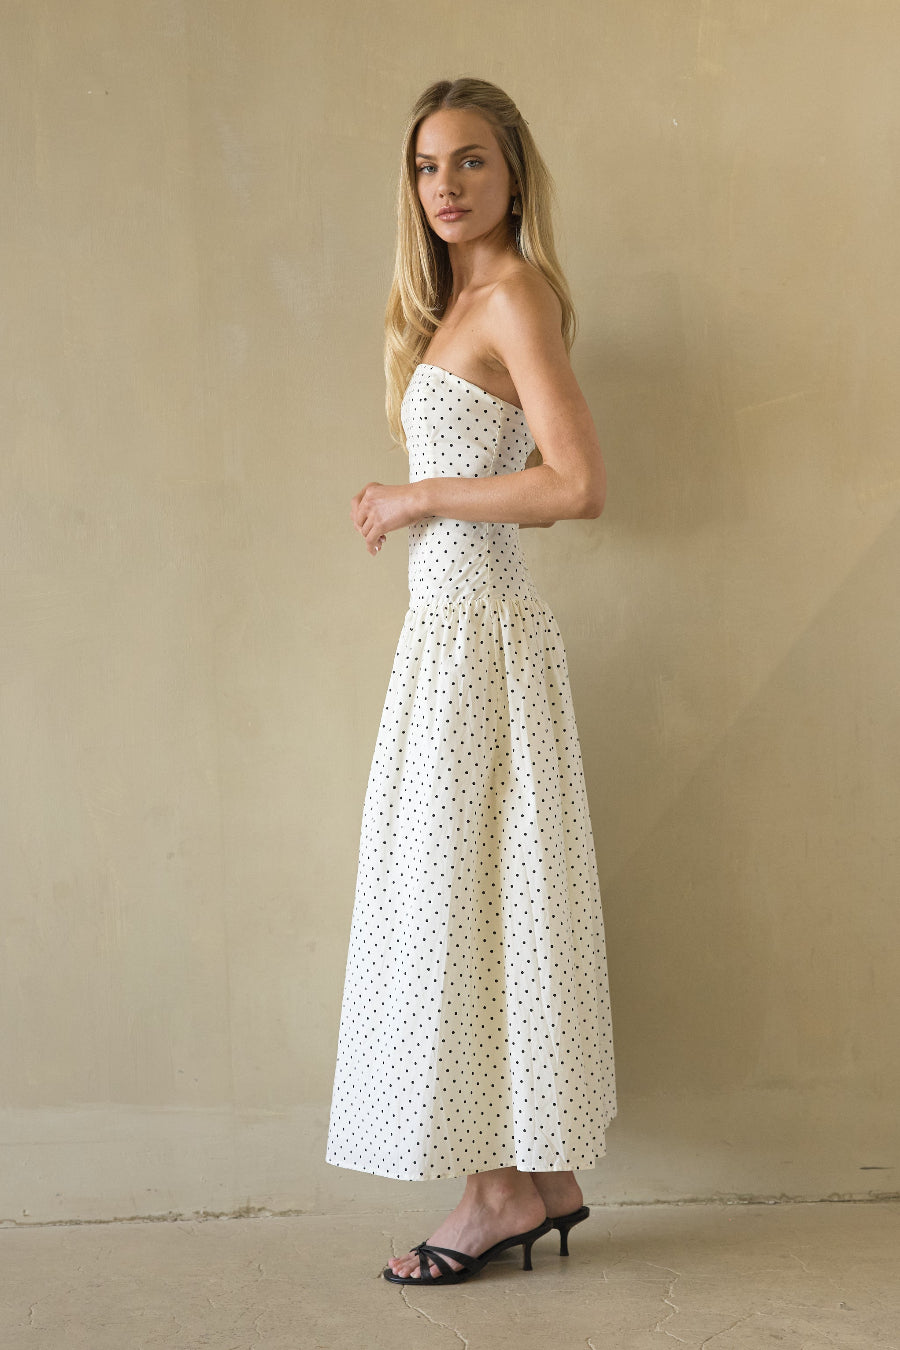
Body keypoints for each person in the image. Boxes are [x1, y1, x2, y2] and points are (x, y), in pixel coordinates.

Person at [325, 76, 617, 1285]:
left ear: (514, 174)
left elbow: (576, 483)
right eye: (427, 167)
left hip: (476, 643)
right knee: (471, 897)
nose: (445, 187)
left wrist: (414, 494)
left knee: (457, 902)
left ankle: (493, 1193)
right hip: (447, 642)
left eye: (470, 163)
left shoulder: (516, 297)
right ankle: (535, 1178)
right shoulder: (457, 308)